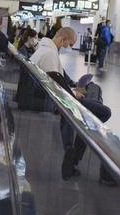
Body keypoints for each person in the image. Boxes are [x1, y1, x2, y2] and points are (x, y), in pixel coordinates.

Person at [29, 27, 114, 185]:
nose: (69, 47)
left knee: (90, 111)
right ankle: (74, 156)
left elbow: (57, 79)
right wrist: (74, 94)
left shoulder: (45, 50)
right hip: (59, 101)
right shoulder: (49, 54)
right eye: (70, 44)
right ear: (63, 39)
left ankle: (73, 155)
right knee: (103, 112)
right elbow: (56, 84)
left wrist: (73, 88)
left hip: (57, 97)